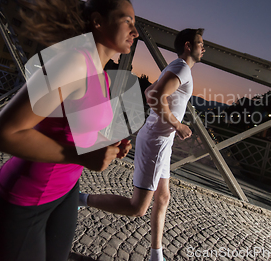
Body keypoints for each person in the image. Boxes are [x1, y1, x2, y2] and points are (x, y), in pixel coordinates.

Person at [0, 0, 138, 261]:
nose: (135, 30)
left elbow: (77, 134)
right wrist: (78, 155)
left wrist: (108, 145)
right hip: (24, 198)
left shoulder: (104, 75)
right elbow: (1, 134)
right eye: (127, 20)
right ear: (97, 21)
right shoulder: (71, 63)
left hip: (64, 193)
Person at [79, 28, 205, 261]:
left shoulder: (176, 66)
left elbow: (149, 91)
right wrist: (178, 125)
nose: (203, 47)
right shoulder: (181, 68)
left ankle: (156, 255)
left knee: (163, 197)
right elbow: (155, 96)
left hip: (161, 141)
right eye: (200, 43)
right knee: (138, 207)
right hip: (157, 141)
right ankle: (80, 199)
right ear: (188, 45)